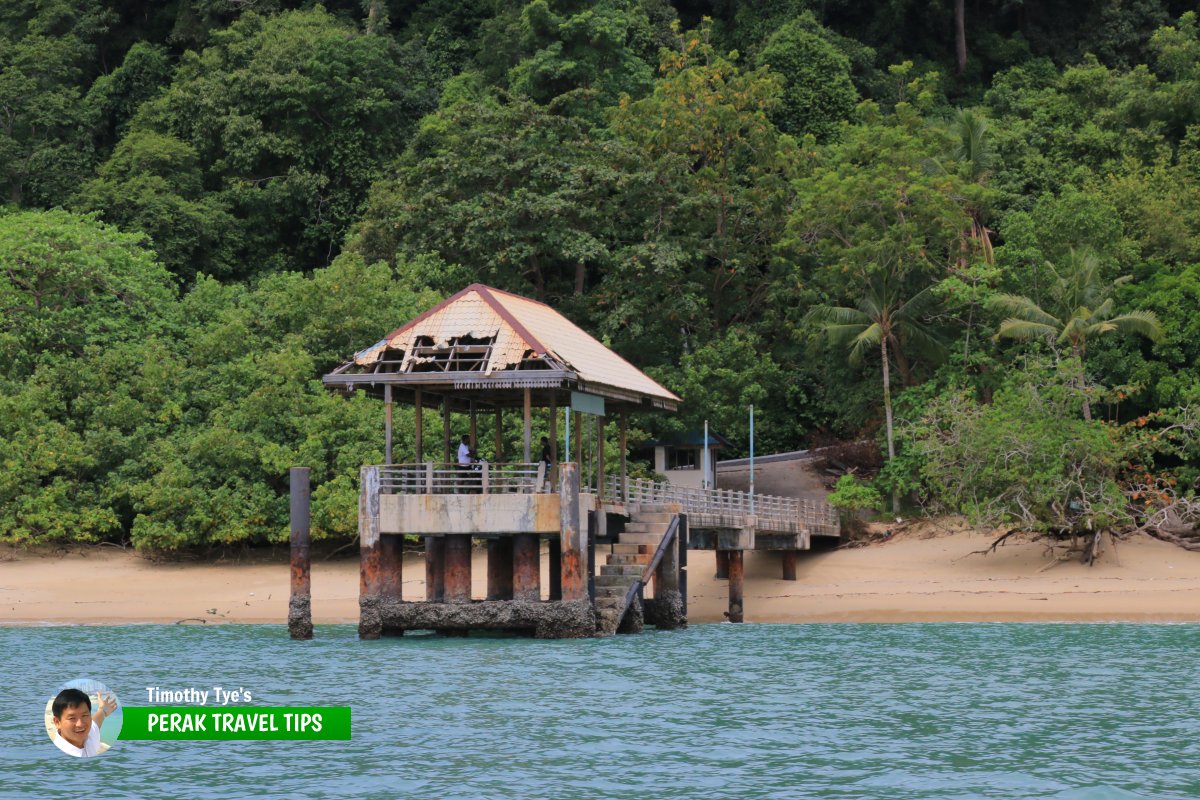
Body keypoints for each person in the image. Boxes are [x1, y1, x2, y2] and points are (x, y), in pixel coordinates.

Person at [51, 687, 116, 757]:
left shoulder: (89, 734)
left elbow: (96, 721)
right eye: (72, 718)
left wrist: (103, 709)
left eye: (84, 715)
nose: (80, 724)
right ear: (57, 722)